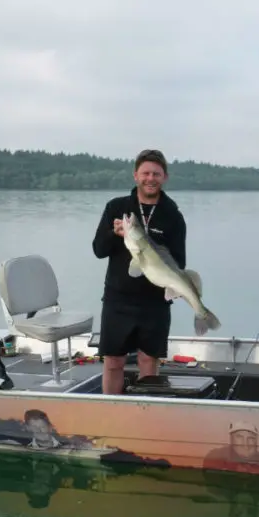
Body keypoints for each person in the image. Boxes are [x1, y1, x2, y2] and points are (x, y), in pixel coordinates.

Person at [92, 149, 187, 394]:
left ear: (164, 177)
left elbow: (179, 262)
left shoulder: (173, 216)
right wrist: (114, 234)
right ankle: (112, 415)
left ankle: (146, 417)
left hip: (155, 302)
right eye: (145, 173)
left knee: (149, 362)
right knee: (113, 362)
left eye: (156, 173)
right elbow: (99, 250)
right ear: (136, 175)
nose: (150, 178)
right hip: (118, 299)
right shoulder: (117, 208)